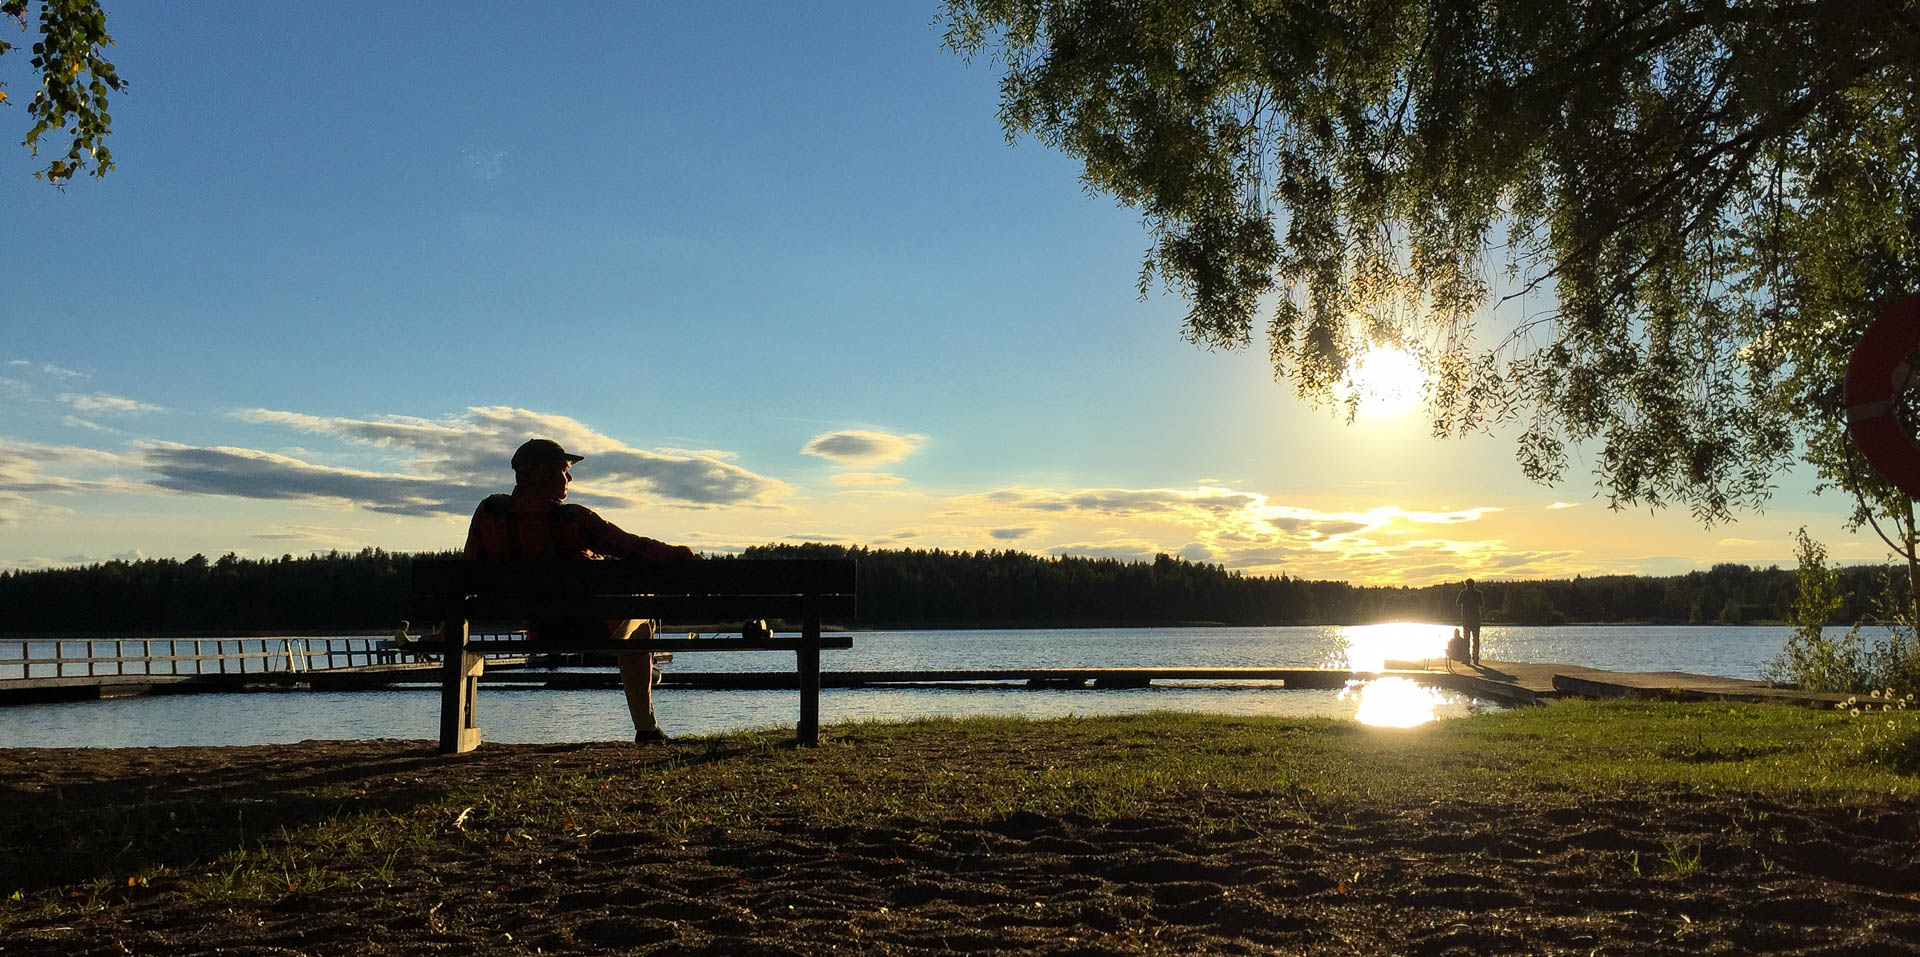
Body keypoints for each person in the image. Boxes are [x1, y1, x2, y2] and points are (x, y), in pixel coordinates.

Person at [464, 438, 697, 743]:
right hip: (593, 628)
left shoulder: (488, 513)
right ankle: (646, 725)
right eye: (564, 470)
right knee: (643, 618)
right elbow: (633, 548)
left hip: (539, 629)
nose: (570, 478)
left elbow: (467, 572)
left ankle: (644, 670)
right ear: (541, 474)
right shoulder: (573, 519)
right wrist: (680, 554)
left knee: (634, 615)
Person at [1456, 578, 1486, 665]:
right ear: (1474, 584)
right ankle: (1475, 658)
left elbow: (1457, 602)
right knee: (1476, 640)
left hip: (1466, 619)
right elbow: (1482, 604)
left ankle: (1467, 658)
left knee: (1466, 640)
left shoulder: (1463, 593)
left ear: (1466, 584)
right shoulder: (1478, 593)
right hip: (1476, 619)